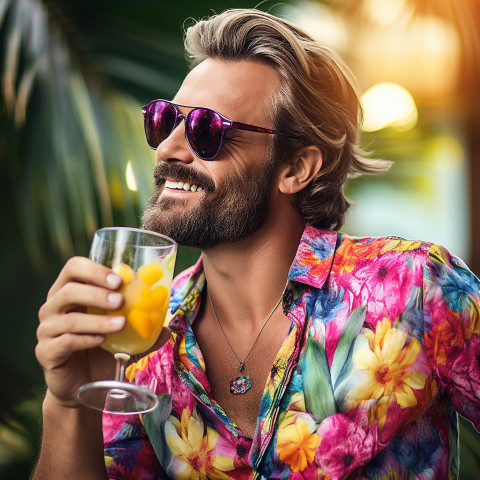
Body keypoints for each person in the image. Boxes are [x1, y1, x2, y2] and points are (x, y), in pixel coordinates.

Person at [33, 8, 480, 480]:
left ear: (295, 168)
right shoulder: (141, 342)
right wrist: (66, 403)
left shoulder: (416, 288)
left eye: (207, 130)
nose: (167, 149)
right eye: (164, 121)